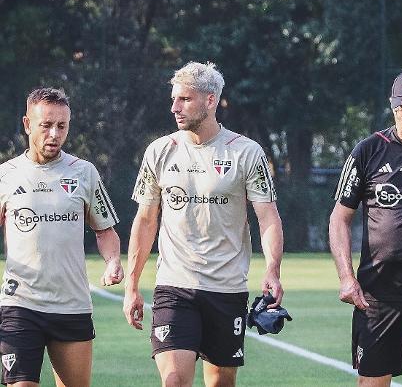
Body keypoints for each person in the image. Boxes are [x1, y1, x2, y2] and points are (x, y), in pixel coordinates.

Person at [123, 61, 284, 387]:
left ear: (210, 100)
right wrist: (131, 285)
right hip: (174, 286)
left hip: (227, 289)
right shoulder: (159, 151)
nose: (174, 108)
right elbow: (145, 220)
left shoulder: (246, 152)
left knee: (221, 384)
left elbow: (267, 217)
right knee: (174, 381)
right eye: (173, 99)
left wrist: (273, 269)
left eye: (184, 99)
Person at [329, 67, 402, 386]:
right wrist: (346, 277)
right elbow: (339, 217)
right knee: (372, 381)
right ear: (392, 107)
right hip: (379, 288)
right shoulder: (368, 151)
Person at [0, 88, 124, 387]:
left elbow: (105, 231)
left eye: (62, 126)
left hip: (72, 304)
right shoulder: (6, 174)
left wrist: (113, 261)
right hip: (20, 303)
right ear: (28, 124)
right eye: (46, 125)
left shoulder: (84, 172)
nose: (54, 134)